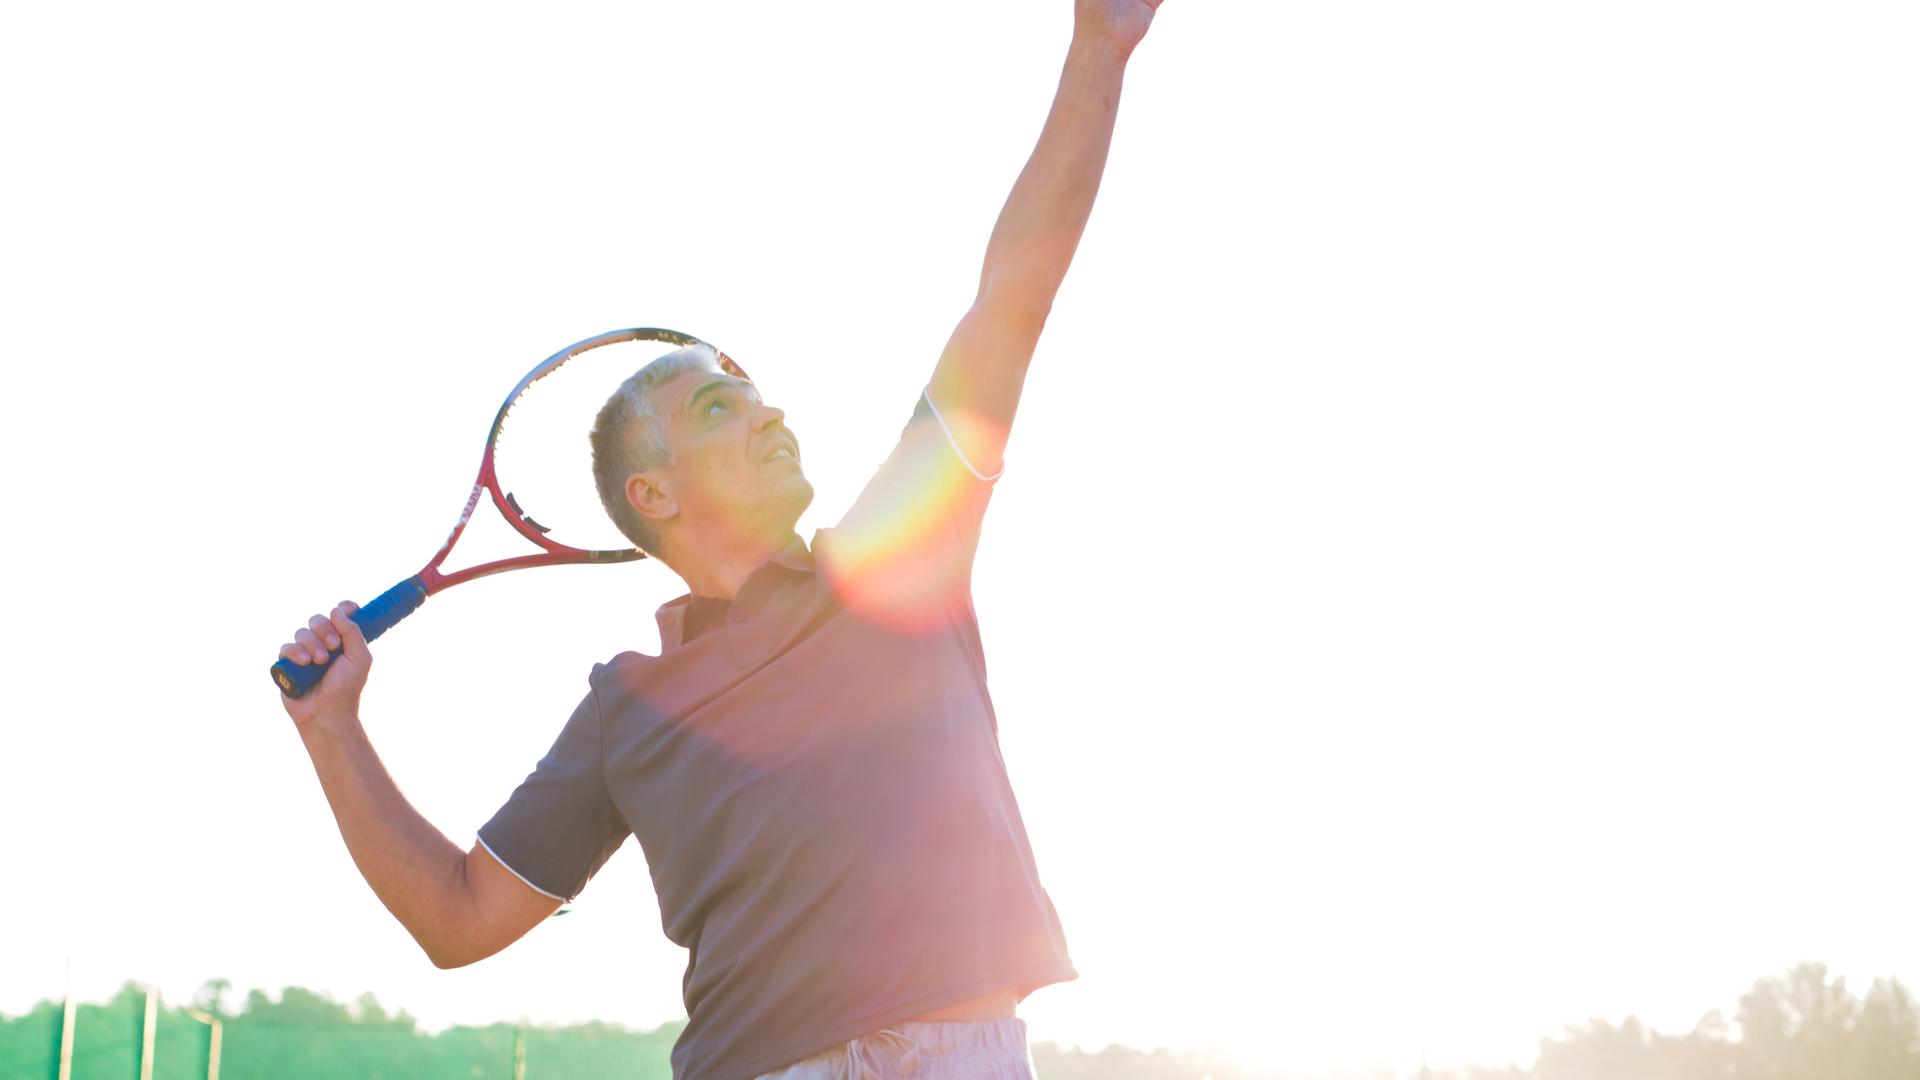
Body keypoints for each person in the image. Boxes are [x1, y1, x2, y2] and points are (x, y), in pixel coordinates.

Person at [275, 2, 1165, 1077]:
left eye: (755, 396)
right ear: (650, 491)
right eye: (715, 409)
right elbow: (461, 920)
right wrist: (333, 731)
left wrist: (1095, 54)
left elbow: (1009, 300)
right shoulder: (625, 707)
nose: (768, 414)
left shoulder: (894, 561)